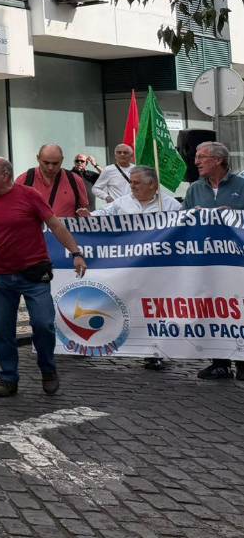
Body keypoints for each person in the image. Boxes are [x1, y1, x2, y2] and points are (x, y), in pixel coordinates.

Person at [0, 157, 88, 397]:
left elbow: (55, 225)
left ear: (5, 175)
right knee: (1, 330)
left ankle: (48, 370)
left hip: (34, 274)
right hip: (1, 276)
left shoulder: (29, 195)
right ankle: (8, 378)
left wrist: (76, 252)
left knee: (43, 324)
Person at [92, 166, 180, 372]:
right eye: (131, 182)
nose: (132, 186)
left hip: (158, 269)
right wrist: (88, 216)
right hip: (129, 268)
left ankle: (155, 353)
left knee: (157, 310)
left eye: (137, 182)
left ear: (153, 185)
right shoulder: (122, 202)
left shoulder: (170, 205)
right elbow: (102, 215)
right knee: (133, 306)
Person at [182, 141, 244, 380]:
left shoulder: (241, 185)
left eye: (202, 157)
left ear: (218, 160)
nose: (196, 161)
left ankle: (242, 362)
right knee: (213, 309)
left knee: (239, 309)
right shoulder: (194, 189)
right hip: (207, 263)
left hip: (237, 263)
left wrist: (236, 215)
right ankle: (219, 362)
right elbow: (180, 223)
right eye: (196, 157)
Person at [16, 144, 90, 219]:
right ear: (38, 158)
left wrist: (86, 216)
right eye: (46, 163)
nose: (50, 167)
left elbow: (84, 210)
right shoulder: (24, 180)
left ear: (62, 160)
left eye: (55, 163)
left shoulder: (75, 180)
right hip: (33, 230)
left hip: (66, 230)